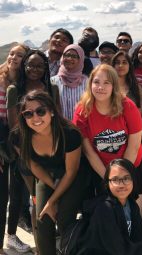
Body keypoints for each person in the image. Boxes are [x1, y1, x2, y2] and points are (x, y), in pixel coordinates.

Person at [13, 90, 86, 255]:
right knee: (43, 218)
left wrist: (52, 201)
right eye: (28, 114)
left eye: (40, 111)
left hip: (74, 176)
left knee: (65, 218)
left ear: (51, 111)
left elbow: (71, 171)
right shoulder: (18, 137)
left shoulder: (69, 133)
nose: (35, 118)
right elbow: (35, 167)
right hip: (46, 176)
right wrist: (53, 189)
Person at [6, 49, 59, 254]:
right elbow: (14, 128)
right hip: (26, 154)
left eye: (39, 66)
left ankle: (49, 240)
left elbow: (59, 119)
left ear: (45, 67)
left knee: (52, 197)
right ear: (24, 66)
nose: (34, 69)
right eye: (30, 65)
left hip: (52, 152)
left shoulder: (52, 88)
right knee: (37, 199)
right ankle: (42, 246)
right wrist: (26, 154)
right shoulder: (14, 90)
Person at [73, 64, 142, 204]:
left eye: (107, 83)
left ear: (114, 86)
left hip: (131, 164)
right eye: (97, 82)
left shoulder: (127, 106)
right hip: (102, 168)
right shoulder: (82, 110)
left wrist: (122, 177)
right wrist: (110, 178)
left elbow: (134, 145)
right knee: (109, 209)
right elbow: (89, 152)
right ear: (90, 84)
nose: (101, 87)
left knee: (134, 208)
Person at [80, 158, 142, 255]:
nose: (121, 185)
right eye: (115, 180)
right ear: (107, 183)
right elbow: (118, 250)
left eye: (126, 178)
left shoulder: (132, 205)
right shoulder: (103, 209)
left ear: (133, 180)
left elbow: (137, 239)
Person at [0, 43, 29, 254]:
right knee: (2, 194)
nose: (14, 58)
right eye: (12, 53)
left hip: (18, 139)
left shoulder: (24, 84)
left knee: (18, 191)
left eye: (20, 55)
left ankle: (11, 236)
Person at [51, 44, 88, 120]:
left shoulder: (87, 82)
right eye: (66, 55)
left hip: (81, 128)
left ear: (80, 60)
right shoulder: (53, 81)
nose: (69, 58)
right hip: (60, 129)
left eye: (74, 56)